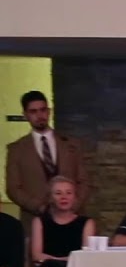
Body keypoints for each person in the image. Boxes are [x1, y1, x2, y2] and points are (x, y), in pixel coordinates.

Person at [5, 90, 91, 232]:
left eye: (43, 110)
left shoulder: (72, 145)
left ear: (49, 111)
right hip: (35, 220)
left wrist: (73, 205)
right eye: (33, 111)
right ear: (25, 115)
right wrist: (39, 207)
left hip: (73, 219)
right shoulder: (17, 149)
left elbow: (84, 180)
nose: (40, 115)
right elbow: (13, 188)